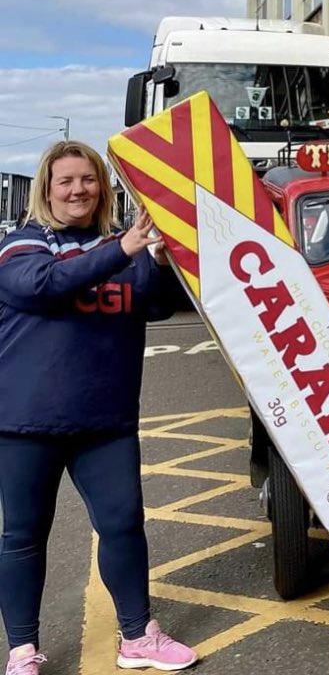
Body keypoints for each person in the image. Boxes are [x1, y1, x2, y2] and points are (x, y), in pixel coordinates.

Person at [0, 141, 198, 674]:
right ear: (46, 188)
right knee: (22, 535)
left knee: (124, 525)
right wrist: (128, 246)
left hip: (105, 421)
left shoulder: (122, 248)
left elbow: (156, 304)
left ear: (102, 187)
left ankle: (138, 636)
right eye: (65, 181)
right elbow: (43, 285)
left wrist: (156, 260)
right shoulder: (21, 245)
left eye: (88, 180)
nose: (78, 190)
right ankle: (22, 652)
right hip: (25, 423)